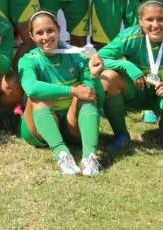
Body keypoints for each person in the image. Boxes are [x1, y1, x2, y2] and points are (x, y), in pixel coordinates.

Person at [99, 0, 163, 149]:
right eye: (149, 19)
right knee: (107, 78)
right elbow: (98, 58)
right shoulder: (129, 37)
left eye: (161, 19)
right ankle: (121, 134)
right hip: (135, 92)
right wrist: (126, 65)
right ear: (140, 21)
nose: (155, 25)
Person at [18, 11, 104, 176]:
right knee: (39, 97)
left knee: (86, 93)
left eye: (50, 30)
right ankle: (62, 155)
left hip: (73, 126)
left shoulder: (78, 55)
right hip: (38, 130)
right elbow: (32, 88)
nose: (46, 36)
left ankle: (90, 156)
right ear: (31, 36)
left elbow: (94, 96)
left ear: (58, 29)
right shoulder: (28, 59)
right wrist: (72, 90)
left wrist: (94, 76)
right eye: (39, 33)